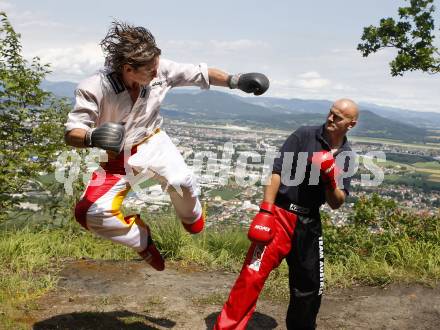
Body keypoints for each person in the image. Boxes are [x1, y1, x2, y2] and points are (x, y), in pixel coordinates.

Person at [64, 21, 269, 272]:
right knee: (88, 214)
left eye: (157, 65)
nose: (156, 72)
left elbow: (200, 74)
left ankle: (192, 218)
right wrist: (91, 137)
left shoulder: (159, 68)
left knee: (181, 181)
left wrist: (235, 80)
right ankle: (141, 239)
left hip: (154, 141)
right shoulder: (94, 87)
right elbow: (73, 132)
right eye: (150, 70)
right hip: (119, 155)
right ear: (128, 69)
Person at [214, 99, 359, 329]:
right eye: (330, 113)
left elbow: (336, 202)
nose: (330, 118)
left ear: (350, 124)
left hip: (309, 222)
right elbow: (277, 173)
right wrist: (266, 210)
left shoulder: (347, 157)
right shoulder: (304, 135)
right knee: (252, 275)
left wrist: (330, 179)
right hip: (281, 213)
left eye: (338, 117)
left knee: (310, 286)